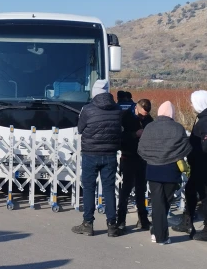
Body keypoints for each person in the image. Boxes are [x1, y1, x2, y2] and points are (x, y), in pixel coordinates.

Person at [71, 79, 122, 237]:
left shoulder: (87, 109)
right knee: (108, 189)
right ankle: (112, 225)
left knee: (89, 189)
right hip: (110, 155)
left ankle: (88, 223)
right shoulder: (118, 110)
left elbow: (80, 129)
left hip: (90, 154)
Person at [173, 90, 207, 242]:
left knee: (206, 196)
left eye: (193, 101)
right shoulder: (206, 118)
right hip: (201, 163)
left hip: (206, 164)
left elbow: (206, 146)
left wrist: (191, 147)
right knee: (190, 190)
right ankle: (187, 221)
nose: (191, 104)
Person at [138, 101, 192, 244]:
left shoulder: (150, 127)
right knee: (165, 201)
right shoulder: (178, 128)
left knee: (157, 202)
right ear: (172, 113)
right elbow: (186, 147)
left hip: (153, 168)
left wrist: (151, 158)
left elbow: (141, 148)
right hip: (171, 169)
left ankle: (156, 231)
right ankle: (161, 235)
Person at [117, 99, 154, 232]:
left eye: (145, 115)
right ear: (136, 108)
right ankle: (120, 220)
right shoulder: (125, 116)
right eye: (141, 115)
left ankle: (143, 220)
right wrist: (134, 134)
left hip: (142, 158)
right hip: (128, 156)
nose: (143, 117)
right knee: (125, 190)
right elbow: (118, 136)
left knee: (141, 190)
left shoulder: (149, 119)